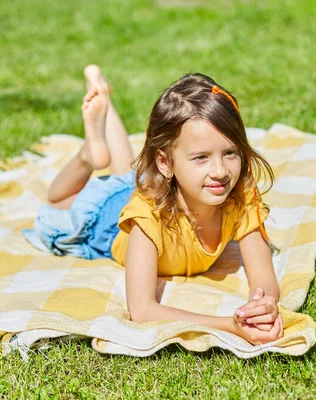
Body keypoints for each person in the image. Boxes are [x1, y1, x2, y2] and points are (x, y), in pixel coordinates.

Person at [23, 65, 283, 345]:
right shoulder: (147, 216)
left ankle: (104, 98)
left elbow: (263, 276)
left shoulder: (240, 195)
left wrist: (262, 304)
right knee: (58, 200)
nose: (220, 171)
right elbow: (142, 310)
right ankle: (89, 155)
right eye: (201, 158)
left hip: (160, 186)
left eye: (230, 152)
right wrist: (228, 325)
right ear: (165, 163)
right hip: (105, 221)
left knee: (128, 173)